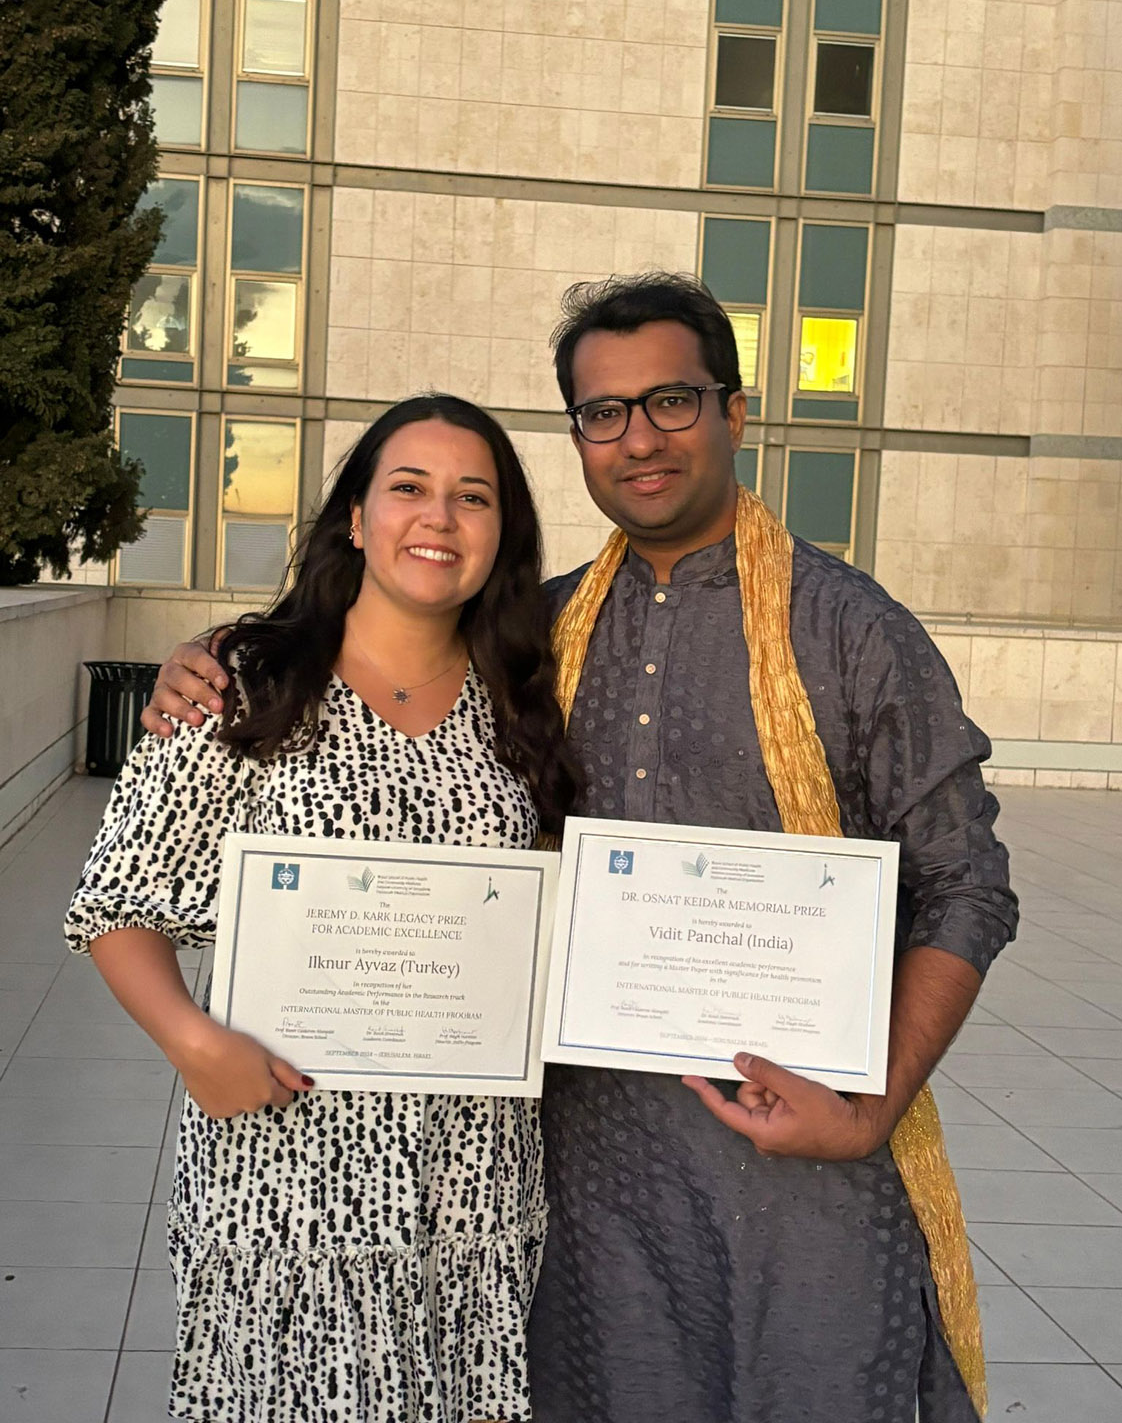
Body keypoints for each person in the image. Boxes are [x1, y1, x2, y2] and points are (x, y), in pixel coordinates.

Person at [141, 276, 1018, 1423]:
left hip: (807, 1181)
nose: (639, 437)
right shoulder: (535, 636)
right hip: (591, 1181)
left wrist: (872, 1103)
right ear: (578, 437)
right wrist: (218, 654)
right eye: (605, 412)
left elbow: (966, 882)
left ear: (736, 410)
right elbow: (378, 641)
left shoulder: (850, 627)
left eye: (671, 400)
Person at [66, 394, 581, 1423]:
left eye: (472, 497)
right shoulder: (246, 683)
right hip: (288, 1176)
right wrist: (191, 1041)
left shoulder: (528, 703)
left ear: (503, 534)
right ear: (356, 515)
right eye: (409, 488)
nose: (438, 517)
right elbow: (115, 902)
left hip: (471, 1184)